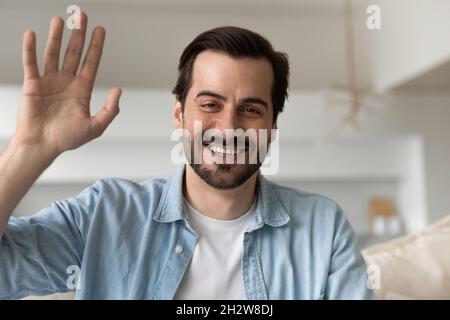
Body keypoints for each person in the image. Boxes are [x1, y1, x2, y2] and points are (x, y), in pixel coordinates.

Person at [0, 12, 371, 300]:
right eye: (210, 104)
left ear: (273, 125)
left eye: (251, 110)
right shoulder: (105, 214)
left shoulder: (324, 229)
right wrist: (29, 149)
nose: (228, 128)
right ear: (179, 114)